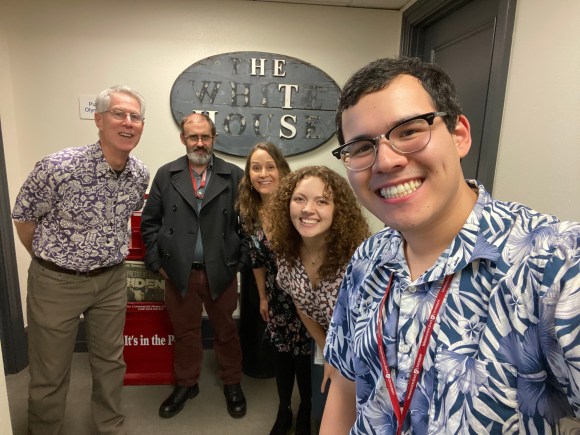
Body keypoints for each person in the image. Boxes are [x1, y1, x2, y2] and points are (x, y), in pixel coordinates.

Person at [322, 56, 580, 434]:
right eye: (361, 147)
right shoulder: (366, 260)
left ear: (459, 135)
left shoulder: (557, 263)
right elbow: (346, 389)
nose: (386, 161)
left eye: (409, 131)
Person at [11, 85, 149, 434]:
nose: (128, 122)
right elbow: (24, 218)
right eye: (119, 114)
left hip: (111, 280)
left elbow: (125, 216)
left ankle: (109, 425)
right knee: (50, 370)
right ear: (99, 120)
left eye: (135, 116)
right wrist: (49, 262)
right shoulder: (58, 167)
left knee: (110, 362)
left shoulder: (139, 175)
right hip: (56, 283)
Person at [140, 112, 248, 420]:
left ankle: (232, 382)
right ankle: (186, 384)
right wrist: (157, 262)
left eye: (205, 137)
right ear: (183, 139)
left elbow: (248, 224)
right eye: (193, 137)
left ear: (214, 138)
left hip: (221, 270)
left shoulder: (234, 175)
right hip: (179, 271)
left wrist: (238, 262)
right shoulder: (166, 174)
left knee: (226, 331)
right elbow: (150, 223)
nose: (199, 143)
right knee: (185, 332)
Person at [266, 166, 370, 434]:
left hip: (365, 352)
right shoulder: (286, 253)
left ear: (338, 210)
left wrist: (344, 362)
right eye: (299, 199)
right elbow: (302, 306)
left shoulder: (359, 257)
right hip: (328, 344)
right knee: (324, 412)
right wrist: (329, 352)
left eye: (322, 201)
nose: (307, 209)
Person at [237, 142, 312, 434]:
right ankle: (284, 409)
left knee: (304, 357)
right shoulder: (249, 212)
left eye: (270, 166)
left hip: (304, 294)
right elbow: (256, 259)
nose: (263, 174)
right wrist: (263, 297)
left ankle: (306, 409)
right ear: (249, 175)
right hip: (276, 295)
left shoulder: (297, 205)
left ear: (281, 170)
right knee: (282, 354)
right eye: (256, 168)